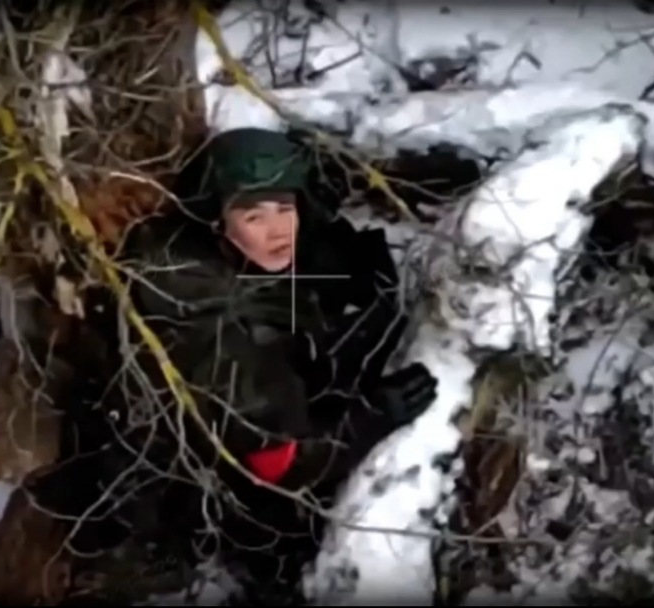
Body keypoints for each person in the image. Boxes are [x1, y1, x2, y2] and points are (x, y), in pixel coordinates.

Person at [114, 127, 439, 594]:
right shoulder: (211, 324)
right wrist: (371, 416)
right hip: (204, 490)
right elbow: (275, 465)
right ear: (216, 220)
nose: (277, 229)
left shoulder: (213, 249)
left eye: (286, 209)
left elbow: (316, 257)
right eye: (253, 215)